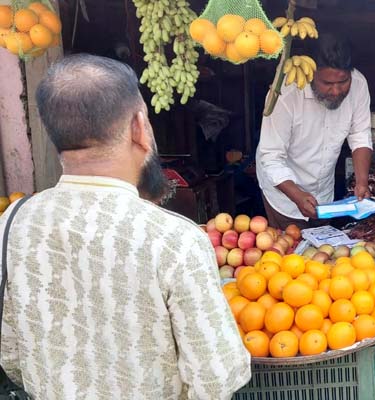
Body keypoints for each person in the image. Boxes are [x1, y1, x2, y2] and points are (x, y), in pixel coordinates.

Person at [0, 54, 251, 399]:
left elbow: (11, 354)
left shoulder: (13, 224)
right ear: (139, 127)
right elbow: (216, 378)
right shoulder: (175, 239)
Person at [256, 33, 372, 229]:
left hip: (324, 195)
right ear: (311, 74)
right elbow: (271, 157)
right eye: (327, 84)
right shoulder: (285, 94)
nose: (336, 91)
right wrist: (297, 195)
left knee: (322, 253)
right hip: (284, 198)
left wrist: (361, 182)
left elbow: (360, 134)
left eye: (343, 82)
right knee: (290, 254)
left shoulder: (359, 85)